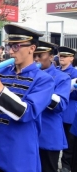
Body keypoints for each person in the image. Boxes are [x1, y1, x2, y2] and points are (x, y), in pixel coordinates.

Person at [0, 24, 54, 171]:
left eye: (16, 46)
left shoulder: (44, 80)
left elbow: (27, 113)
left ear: (32, 48)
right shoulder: (0, 71)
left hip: (18, 154)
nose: (11, 51)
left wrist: (0, 89)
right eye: (9, 46)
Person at [33, 41, 70, 172]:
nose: (36, 59)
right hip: (28, 133)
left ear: (50, 56)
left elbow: (61, 105)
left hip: (47, 134)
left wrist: (44, 91)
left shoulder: (62, 77)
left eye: (40, 55)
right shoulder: (28, 74)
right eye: (34, 56)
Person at [59, 46, 77, 172]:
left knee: (69, 142)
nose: (61, 58)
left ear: (71, 58)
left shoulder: (75, 74)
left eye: (64, 56)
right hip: (57, 112)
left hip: (69, 112)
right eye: (60, 56)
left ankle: (66, 164)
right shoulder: (55, 70)